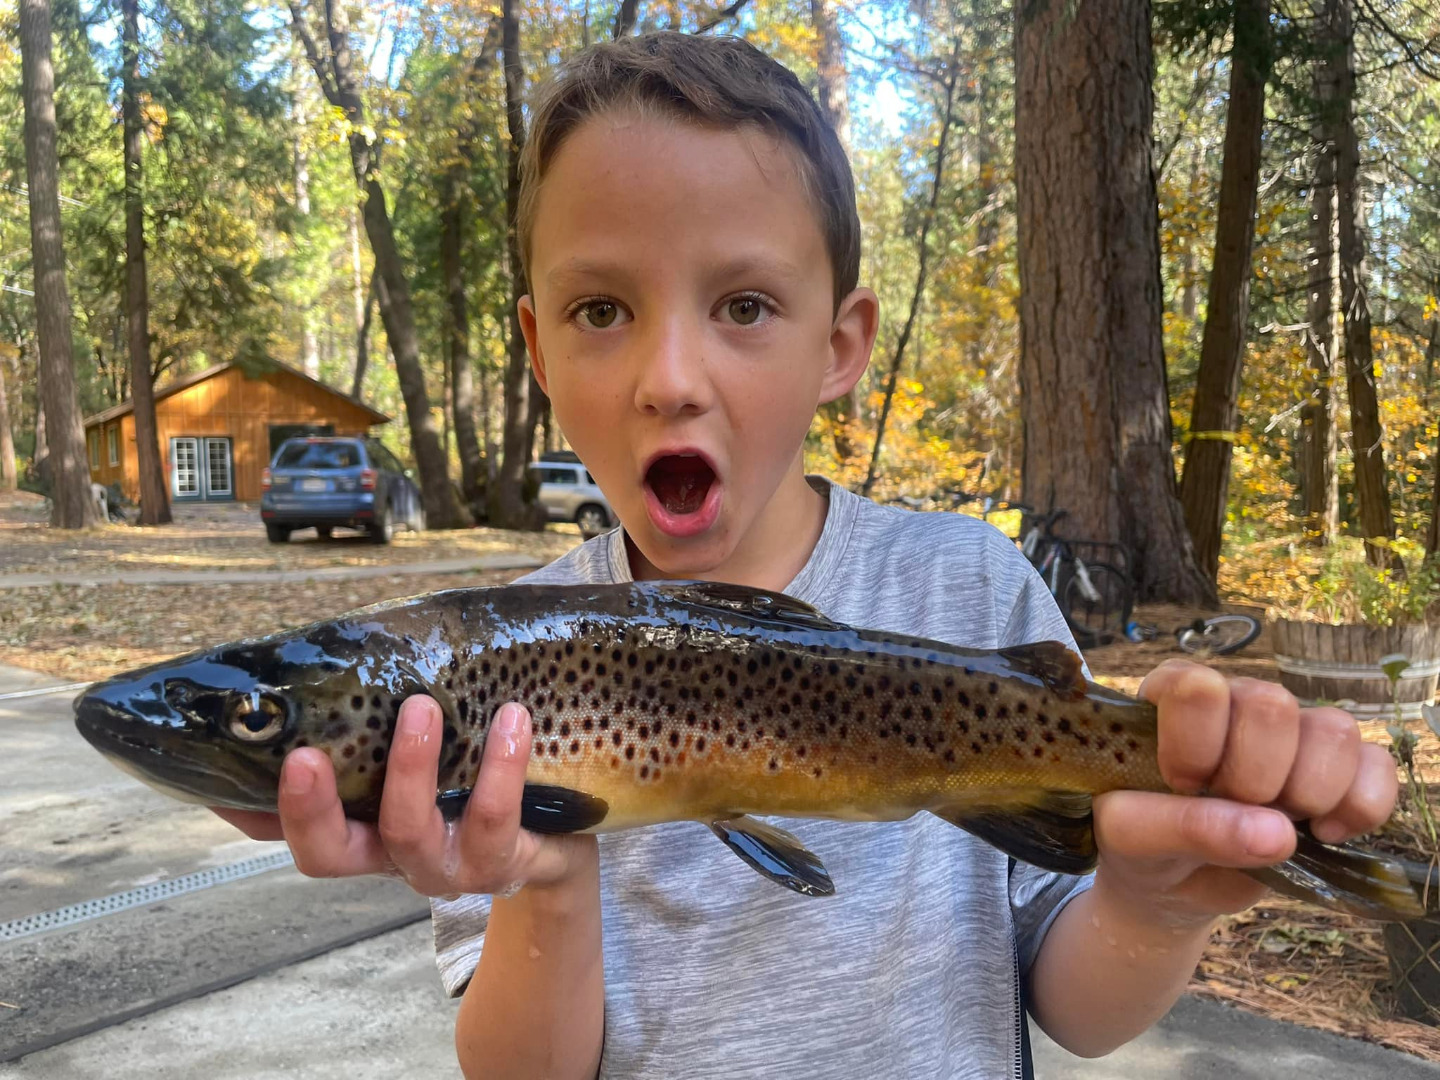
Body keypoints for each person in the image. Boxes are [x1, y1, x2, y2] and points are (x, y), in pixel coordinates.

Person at [214, 32, 1398, 1079]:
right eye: (601, 311)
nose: (670, 378)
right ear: (534, 346)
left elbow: (1078, 1011)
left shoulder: (969, 593)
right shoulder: (483, 681)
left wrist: (1151, 901)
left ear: (841, 345)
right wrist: (545, 877)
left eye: (742, 306)